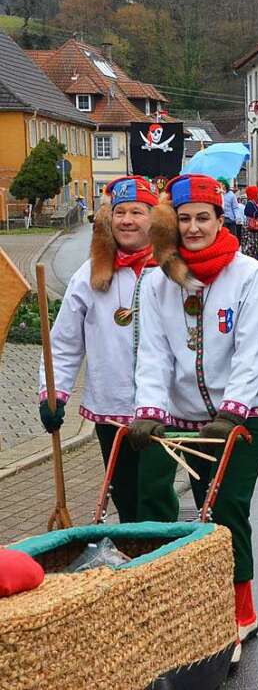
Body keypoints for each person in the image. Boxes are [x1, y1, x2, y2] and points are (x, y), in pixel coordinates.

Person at [129, 173, 258, 666]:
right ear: (172, 225)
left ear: (220, 219)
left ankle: (241, 611)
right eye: (184, 220)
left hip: (250, 414)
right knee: (200, 510)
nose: (194, 227)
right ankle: (205, 605)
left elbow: (252, 349)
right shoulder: (158, 281)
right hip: (190, 418)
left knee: (223, 509)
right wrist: (149, 412)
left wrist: (233, 410)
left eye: (203, 218)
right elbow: (154, 355)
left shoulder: (248, 275)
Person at [39, 176, 158, 522]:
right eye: (120, 212)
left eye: (138, 212)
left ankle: (165, 569)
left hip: (167, 410)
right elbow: (63, 344)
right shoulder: (89, 275)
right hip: (112, 407)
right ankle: (135, 569)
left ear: (154, 219)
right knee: (125, 498)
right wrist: (54, 393)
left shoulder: (170, 271)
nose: (127, 220)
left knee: (156, 500)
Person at [241, 186, 258, 264]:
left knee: (257, 248)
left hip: (256, 231)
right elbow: (253, 214)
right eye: (257, 193)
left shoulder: (256, 204)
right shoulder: (249, 204)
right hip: (250, 231)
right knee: (251, 248)